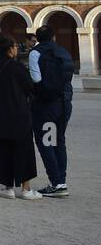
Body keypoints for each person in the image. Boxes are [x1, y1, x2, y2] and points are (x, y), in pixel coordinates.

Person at [0, 33, 41, 200]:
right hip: (18, 113)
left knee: (2, 149)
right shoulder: (18, 67)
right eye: (15, 46)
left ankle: (7, 187)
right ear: (10, 49)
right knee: (23, 149)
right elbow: (30, 88)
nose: (17, 48)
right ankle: (26, 189)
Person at [29, 24, 74, 197]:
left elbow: (36, 78)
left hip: (46, 105)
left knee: (47, 142)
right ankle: (60, 180)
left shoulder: (36, 53)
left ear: (37, 39)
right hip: (65, 103)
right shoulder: (63, 51)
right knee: (58, 141)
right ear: (54, 37)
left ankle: (57, 183)